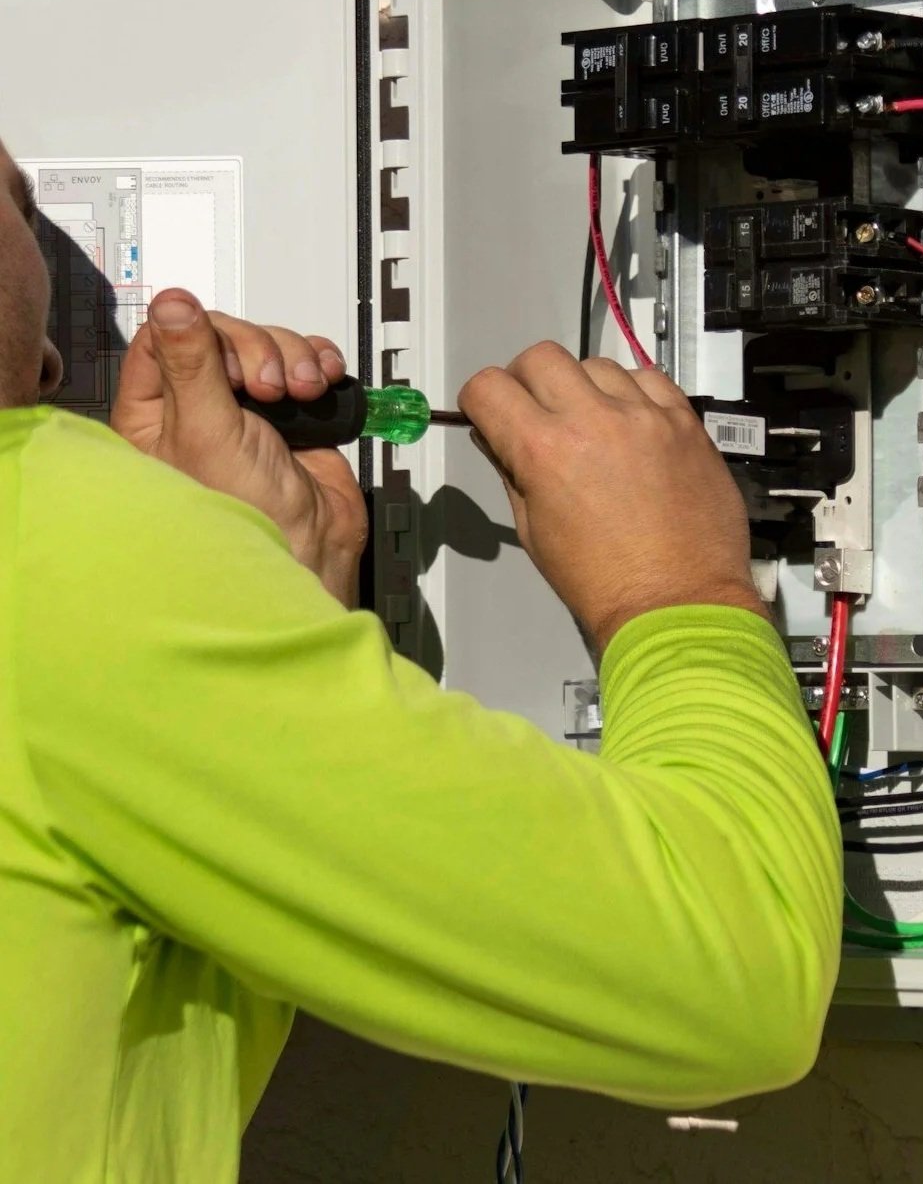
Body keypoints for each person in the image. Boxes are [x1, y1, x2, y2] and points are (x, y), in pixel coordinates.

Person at [0, 139, 841, 1183]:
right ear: (40, 371)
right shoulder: (56, 546)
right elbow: (735, 976)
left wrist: (260, 588)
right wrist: (672, 586)